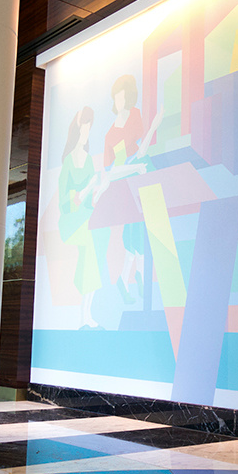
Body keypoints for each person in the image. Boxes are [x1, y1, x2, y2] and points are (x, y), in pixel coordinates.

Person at [96, 75, 163, 304]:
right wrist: (135, 168)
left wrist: (153, 126)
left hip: (141, 175)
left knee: (141, 230)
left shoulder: (135, 115)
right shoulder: (110, 136)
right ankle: (130, 279)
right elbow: (112, 171)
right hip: (126, 181)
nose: (121, 102)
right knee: (134, 232)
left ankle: (130, 278)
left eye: (124, 97)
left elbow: (141, 151)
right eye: (117, 98)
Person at [57, 107, 103, 328]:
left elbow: (90, 201)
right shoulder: (68, 161)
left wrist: (99, 189)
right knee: (91, 249)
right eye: (84, 128)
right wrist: (80, 194)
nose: (86, 133)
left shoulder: (89, 160)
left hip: (86, 217)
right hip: (70, 221)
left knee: (93, 249)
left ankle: (86, 314)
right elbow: (63, 201)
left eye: (89, 128)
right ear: (77, 130)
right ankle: (85, 315)